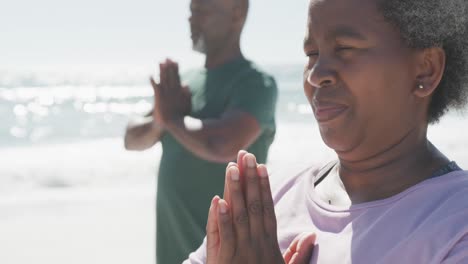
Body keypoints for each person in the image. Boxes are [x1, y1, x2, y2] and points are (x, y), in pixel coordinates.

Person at [185, 0, 468, 263]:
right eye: (312, 54)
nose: (316, 74)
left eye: (344, 48)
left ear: (425, 70)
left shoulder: (455, 224)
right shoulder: (270, 199)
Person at [124, 0, 277, 262]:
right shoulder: (185, 83)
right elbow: (131, 138)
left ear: (237, 12)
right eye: (191, 11)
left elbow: (223, 143)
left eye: (203, 10)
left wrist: (173, 120)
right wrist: (161, 121)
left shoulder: (254, 83)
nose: (191, 19)